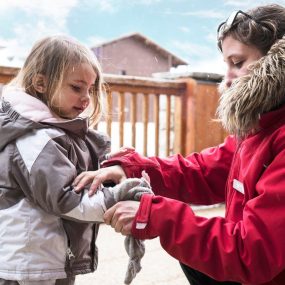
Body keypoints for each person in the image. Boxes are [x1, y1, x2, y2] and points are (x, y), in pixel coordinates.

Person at [73, 4, 285, 285]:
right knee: (193, 252)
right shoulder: (257, 129)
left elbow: (253, 253)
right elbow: (205, 170)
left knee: (193, 242)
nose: (228, 78)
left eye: (238, 63)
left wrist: (158, 216)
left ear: (276, 64)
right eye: (226, 65)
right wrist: (135, 170)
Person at [0, 35, 153, 285]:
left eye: (90, 89)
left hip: (46, 257)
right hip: (30, 265)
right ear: (40, 83)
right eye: (76, 87)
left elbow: (76, 179)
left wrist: (111, 171)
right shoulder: (36, 140)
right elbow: (65, 199)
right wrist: (116, 197)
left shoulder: (52, 132)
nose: (86, 98)